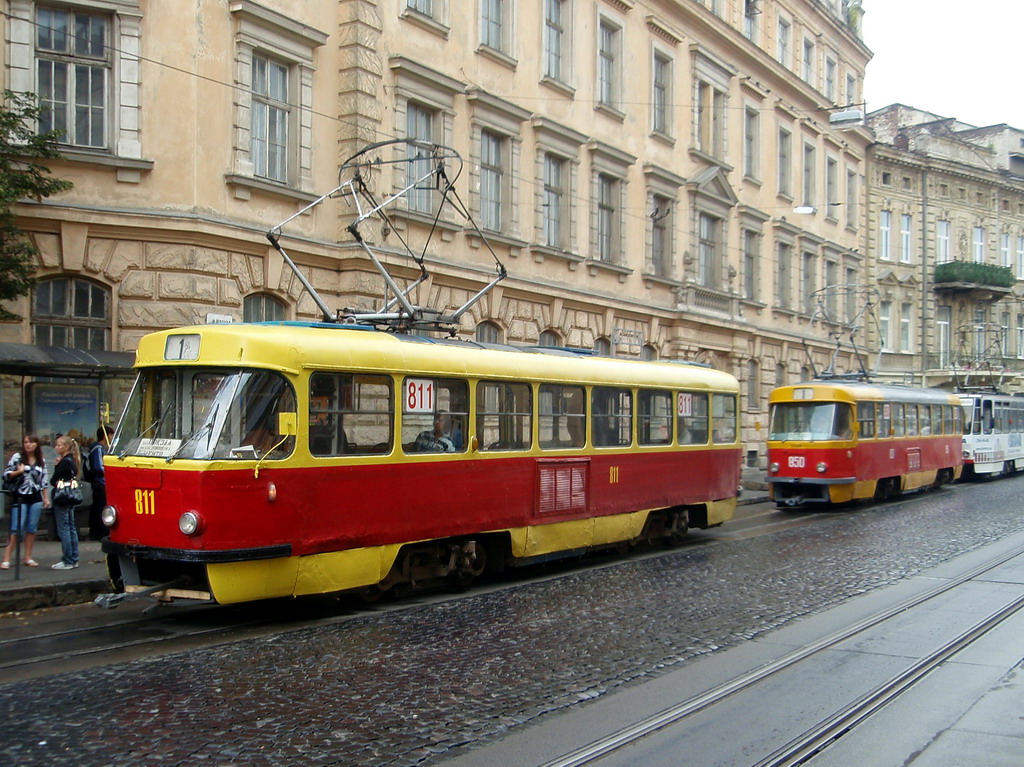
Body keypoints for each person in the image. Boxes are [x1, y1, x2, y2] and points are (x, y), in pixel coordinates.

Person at [1, 434, 50, 569]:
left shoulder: (41, 461)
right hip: (20, 496)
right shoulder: (18, 457)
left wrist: (45, 498)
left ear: (36, 445)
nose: (28, 445)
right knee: (16, 528)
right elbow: (6, 474)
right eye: (26, 442)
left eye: (31, 442)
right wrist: (18, 472)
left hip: (35, 497)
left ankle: (28, 557)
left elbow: (43, 482)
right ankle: (6, 559)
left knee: (32, 528)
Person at [50, 434, 82, 570]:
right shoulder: (73, 460)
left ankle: (68, 559)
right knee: (71, 526)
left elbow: (53, 480)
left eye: (59, 445)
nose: (56, 447)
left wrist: (57, 466)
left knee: (64, 528)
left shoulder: (64, 462)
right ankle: (74, 558)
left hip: (62, 496)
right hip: (71, 495)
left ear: (66, 447)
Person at [86, 427, 108, 540]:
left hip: (99, 482)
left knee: (98, 507)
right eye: (111, 435)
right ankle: (99, 532)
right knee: (100, 507)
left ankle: (96, 531)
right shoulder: (98, 449)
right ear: (106, 436)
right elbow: (99, 467)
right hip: (100, 482)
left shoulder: (99, 448)